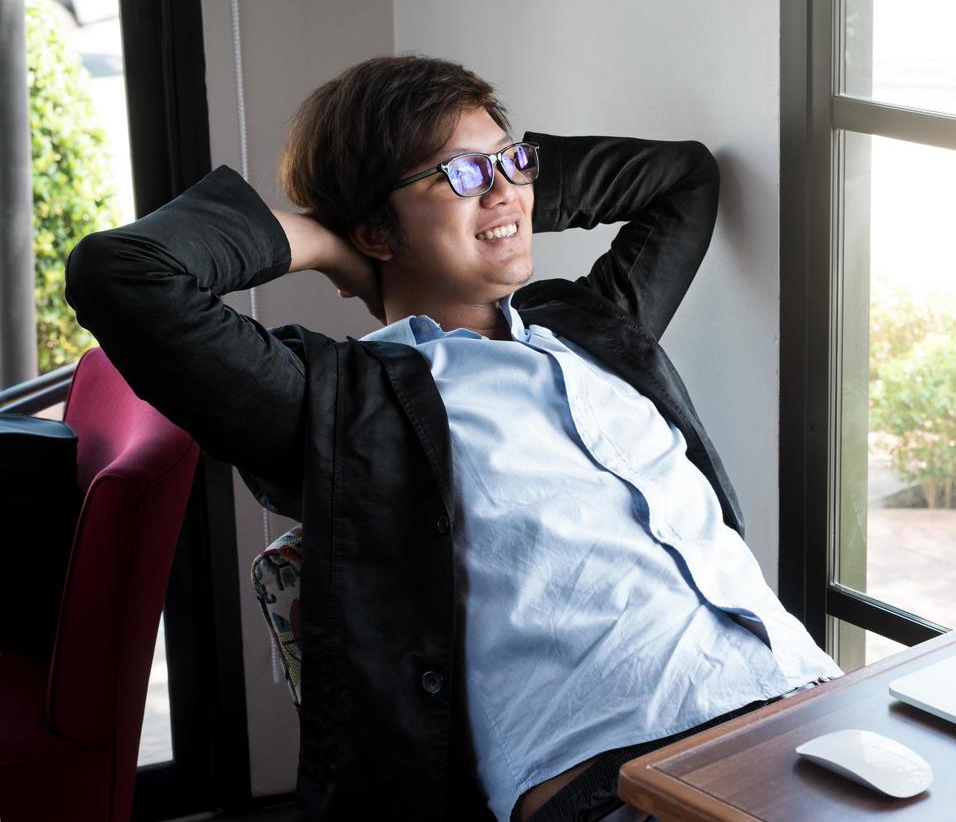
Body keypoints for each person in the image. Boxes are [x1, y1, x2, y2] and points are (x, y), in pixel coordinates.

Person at [65, 54, 841, 822]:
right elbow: (120, 273)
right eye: (458, 175)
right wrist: (328, 241)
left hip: (808, 700)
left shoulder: (595, 329)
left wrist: (499, 194)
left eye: (512, 163)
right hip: (621, 771)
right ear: (374, 228)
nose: (503, 185)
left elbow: (681, 179)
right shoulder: (346, 409)